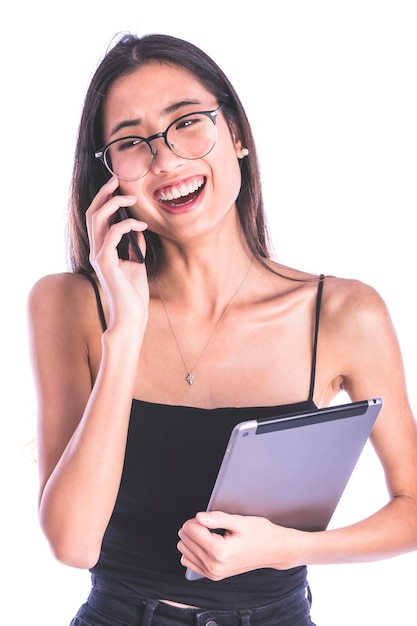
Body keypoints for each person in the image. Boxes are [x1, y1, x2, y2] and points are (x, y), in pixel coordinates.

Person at [28, 32, 417, 626]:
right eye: (132, 142)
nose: (167, 159)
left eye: (187, 123)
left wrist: (290, 548)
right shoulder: (70, 303)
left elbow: (413, 505)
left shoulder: (342, 313)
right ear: (109, 176)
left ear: (234, 134)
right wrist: (125, 331)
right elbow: (73, 545)